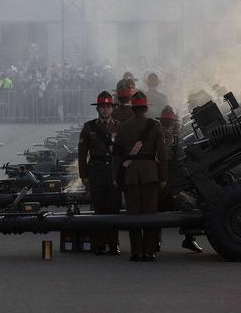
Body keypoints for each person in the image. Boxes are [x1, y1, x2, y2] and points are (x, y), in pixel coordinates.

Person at [112, 90, 165, 261]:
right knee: (150, 213)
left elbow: (117, 155)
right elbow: (162, 155)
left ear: (133, 109)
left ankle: (136, 251)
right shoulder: (155, 125)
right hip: (150, 174)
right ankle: (149, 250)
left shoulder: (123, 126)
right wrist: (163, 177)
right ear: (146, 108)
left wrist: (116, 176)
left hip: (130, 175)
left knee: (133, 213)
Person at [78, 91, 121, 255]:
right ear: (98, 109)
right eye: (102, 107)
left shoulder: (119, 126)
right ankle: (99, 242)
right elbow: (82, 153)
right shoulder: (89, 127)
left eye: (108, 106)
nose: (105, 110)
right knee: (99, 208)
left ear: (112, 108)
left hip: (114, 171)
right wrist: (84, 175)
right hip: (96, 170)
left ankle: (113, 243)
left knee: (114, 208)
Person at [160, 105, 202, 253]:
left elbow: (180, 158)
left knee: (189, 204)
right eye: (165, 123)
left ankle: (190, 239)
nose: (167, 126)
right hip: (161, 181)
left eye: (169, 123)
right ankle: (154, 242)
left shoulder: (177, 138)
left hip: (173, 180)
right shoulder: (158, 138)